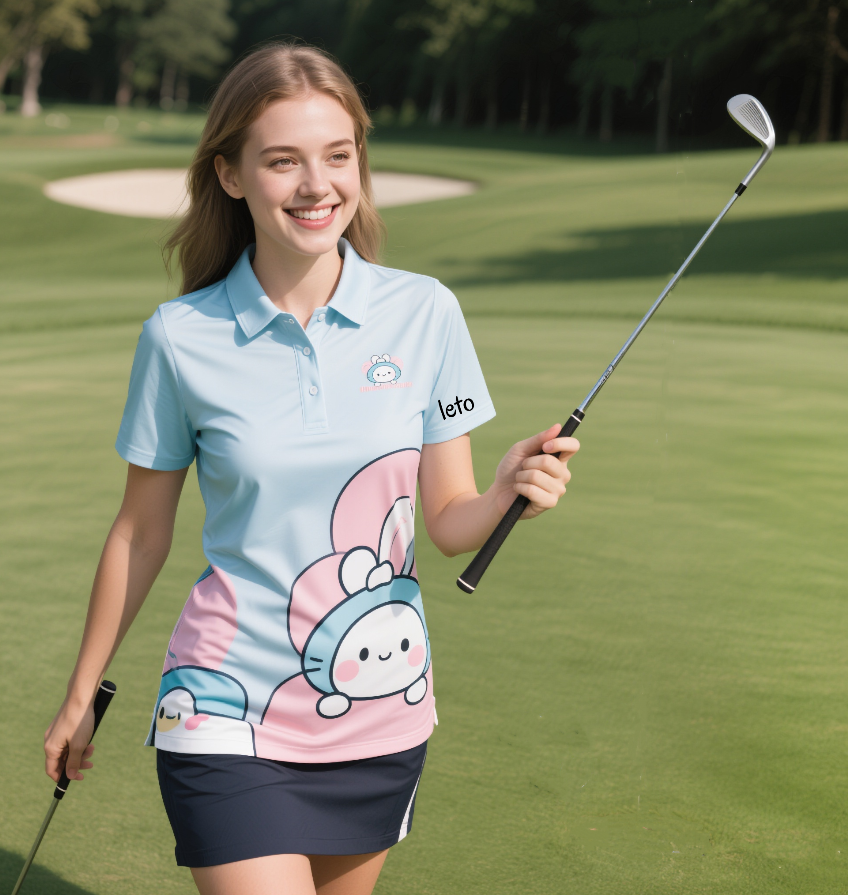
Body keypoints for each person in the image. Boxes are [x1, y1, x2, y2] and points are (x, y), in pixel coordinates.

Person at [43, 43, 580, 895]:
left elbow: (446, 522)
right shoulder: (180, 336)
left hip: (379, 710)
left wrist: (509, 489)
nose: (315, 184)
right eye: (282, 160)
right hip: (221, 710)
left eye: (338, 156)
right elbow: (140, 530)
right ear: (229, 175)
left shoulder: (425, 313)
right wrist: (79, 696)